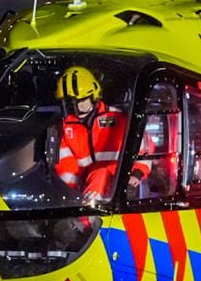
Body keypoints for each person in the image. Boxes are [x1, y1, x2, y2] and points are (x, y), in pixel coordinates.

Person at [54, 66, 148, 204]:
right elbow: (66, 167)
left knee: (100, 174)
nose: (77, 107)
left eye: (81, 101)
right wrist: (74, 196)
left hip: (120, 185)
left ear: (94, 95)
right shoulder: (64, 128)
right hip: (83, 191)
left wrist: (136, 174)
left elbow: (144, 150)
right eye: (70, 103)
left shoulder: (120, 119)